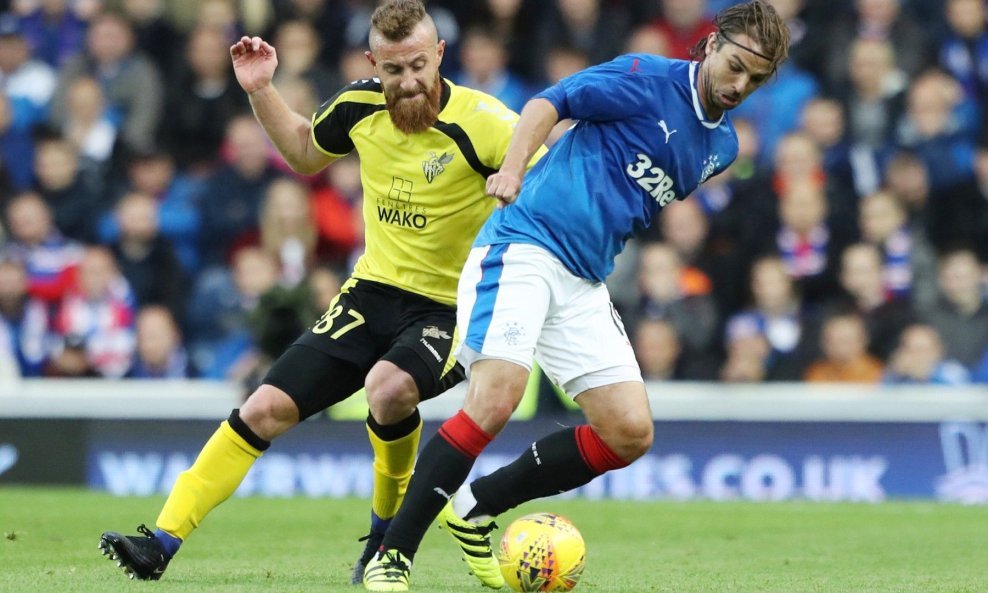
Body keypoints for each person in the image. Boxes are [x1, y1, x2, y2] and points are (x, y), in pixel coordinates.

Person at [97, 0, 541, 584]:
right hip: (372, 291)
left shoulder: (485, 123)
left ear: (439, 56)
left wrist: (518, 191)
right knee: (264, 407)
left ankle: (386, 540)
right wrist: (260, 90)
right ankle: (160, 540)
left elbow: (547, 174)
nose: (407, 83)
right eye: (392, 70)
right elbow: (307, 152)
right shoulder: (359, 106)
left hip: (454, 305)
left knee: (388, 390)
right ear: (371, 64)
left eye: (417, 67)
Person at [363, 2, 790, 590]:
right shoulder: (645, 78)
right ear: (712, 42)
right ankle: (391, 556)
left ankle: (474, 506)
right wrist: (512, 170)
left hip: (584, 279)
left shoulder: (723, 150)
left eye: (757, 78)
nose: (740, 84)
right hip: (525, 243)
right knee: (497, 397)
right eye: (737, 65)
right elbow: (550, 102)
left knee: (630, 432)